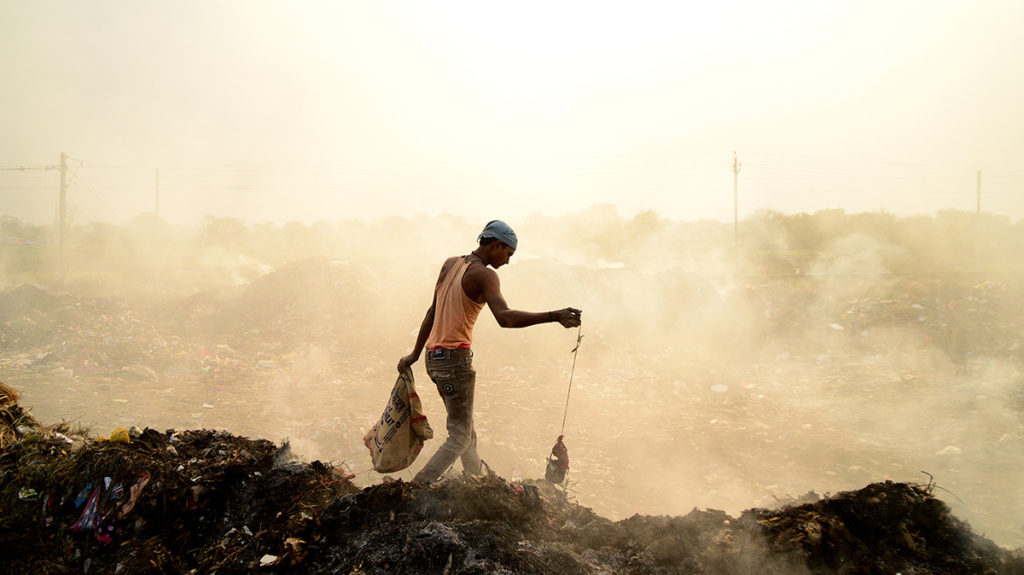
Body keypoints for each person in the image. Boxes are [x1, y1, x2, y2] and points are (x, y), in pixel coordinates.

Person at [398, 220, 582, 485]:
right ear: (497, 244)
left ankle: (476, 481)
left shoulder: (451, 264)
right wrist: (554, 316)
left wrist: (414, 355)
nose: (507, 261)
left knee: (466, 432)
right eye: (508, 254)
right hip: (454, 361)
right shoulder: (485, 275)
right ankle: (417, 487)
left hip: (433, 359)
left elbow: (432, 311)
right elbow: (505, 318)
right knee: (459, 437)